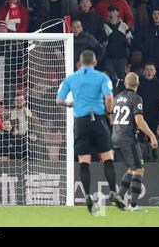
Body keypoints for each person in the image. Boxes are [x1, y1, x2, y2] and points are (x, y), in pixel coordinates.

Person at [56, 50, 125, 215]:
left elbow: (59, 100)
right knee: (108, 158)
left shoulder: (71, 78)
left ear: (80, 63)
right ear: (94, 62)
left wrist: (71, 104)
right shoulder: (102, 77)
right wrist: (109, 114)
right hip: (99, 120)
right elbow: (109, 98)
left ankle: (87, 195)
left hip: (81, 122)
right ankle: (114, 192)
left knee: (84, 162)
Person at [112, 72, 158, 212]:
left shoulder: (117, 98)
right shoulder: (136, 98)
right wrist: (152, 136)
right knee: (139, 169)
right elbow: (139, 120)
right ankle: (133, 204)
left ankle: (118, 198)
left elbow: (112, 118)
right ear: (138, 84)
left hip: (116, 135)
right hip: (128, 138)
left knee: (132, 168)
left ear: (125, 84)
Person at [137, 63, 159, 136]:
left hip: (154, 115)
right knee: (139, 138)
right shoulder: (138, 83)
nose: (149, 72)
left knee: (153, 138)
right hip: (140, 115)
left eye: (151, 69)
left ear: (155, 72)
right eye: (147, 70)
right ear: (144, 72)